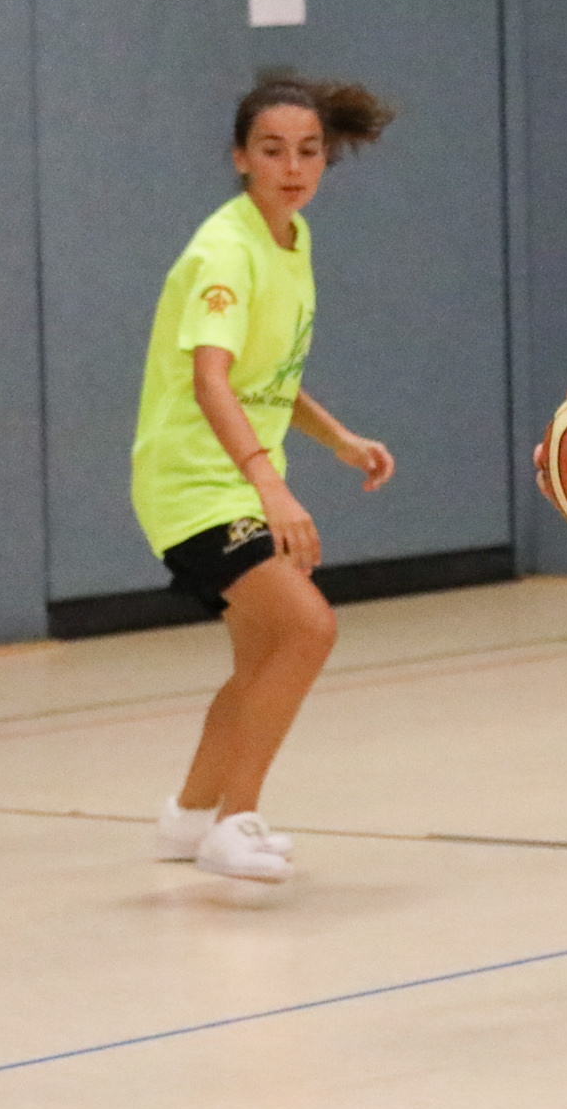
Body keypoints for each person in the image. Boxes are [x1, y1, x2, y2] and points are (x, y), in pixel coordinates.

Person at [134, 78, 399, 883]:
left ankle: (189, 818)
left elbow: (268, 377)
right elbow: (212, 378)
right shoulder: (226, 250)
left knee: (260, 661)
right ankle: (234, 820)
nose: (293, 167)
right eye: (273, 151)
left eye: (309, 151)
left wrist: (338, 438)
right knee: (309, 630)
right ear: (240, 158)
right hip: (194, 483)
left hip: (239, 480)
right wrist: (270, 485)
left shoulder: (291, 239)